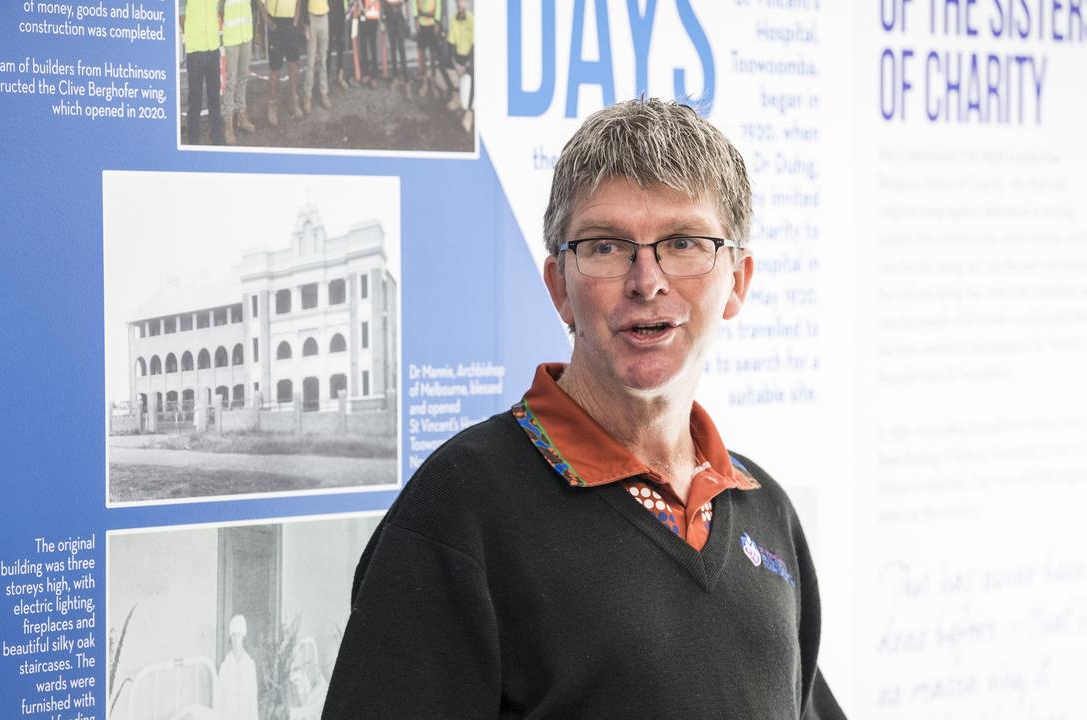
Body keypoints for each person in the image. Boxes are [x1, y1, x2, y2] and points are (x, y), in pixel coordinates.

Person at [320, 99, 847, 719]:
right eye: (605, 246)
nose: (646, 280)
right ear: (558, 287)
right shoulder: (460, 508)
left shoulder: (764, 510)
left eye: (682, 243)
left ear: (736, 281)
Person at [181, 0, 226, 145]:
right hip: (195, 51)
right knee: (195, 101)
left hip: (213, 48)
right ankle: (193, 142)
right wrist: (191, 35)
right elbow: (181, 14)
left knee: (214, 97)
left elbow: (219, 7)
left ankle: (217, 138)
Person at [260, 0, 303, 126]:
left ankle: (294, 102)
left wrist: (295, 22)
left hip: (291, 25)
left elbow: (299, 3)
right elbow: (261, 3)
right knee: (275, 68)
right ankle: (272, 105)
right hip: (275, 25)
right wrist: (268, 21)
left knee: (293, 64)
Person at [220, 0, 257, 140]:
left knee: (243, 78)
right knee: (231, 82)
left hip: (246, 35)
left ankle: (241, 116)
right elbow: (220, 8)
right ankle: (228, 123)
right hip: (232, 39)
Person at [217, 614, 259, 720]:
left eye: (239, 635)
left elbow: (253, 700)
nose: (236, 639)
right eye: (233, 635)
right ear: (230, 638)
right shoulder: (224, 667)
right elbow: (219, 699)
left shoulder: (250, 665)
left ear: (243, 636)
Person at [444, 0, 472, 131]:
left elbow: (475, 47)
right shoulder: (453, 19)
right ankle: (455, 96)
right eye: (457, 2)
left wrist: (465, 66)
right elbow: (451, 45)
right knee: (442, 63)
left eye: (462, 2)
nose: (460, 4)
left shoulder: (472, 20)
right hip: (459, 57)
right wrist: (455, 64)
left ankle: (469, 113)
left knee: (475, 73)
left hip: (469, 58)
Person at [300, 0, 331, 113]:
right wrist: (306, 24)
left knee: (323, 60)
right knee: (310, 61)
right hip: (311, 19)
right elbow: (303, 3)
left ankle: (324, 93)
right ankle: (307, 96)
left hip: (324, 18)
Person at [381, 0, 411, 95]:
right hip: (389, 18)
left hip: (399, 18)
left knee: (401, 50)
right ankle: (395, 78)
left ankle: (406, 81)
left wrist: (395, 2)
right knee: (393, 50)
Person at [412, 0, 440, 97]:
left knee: (433, 55)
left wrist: (437, 21)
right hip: (421, 23)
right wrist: (415, 18)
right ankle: (424, 83)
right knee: (422, 55)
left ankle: (433, 83)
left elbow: (438, 3)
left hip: (432, 24)